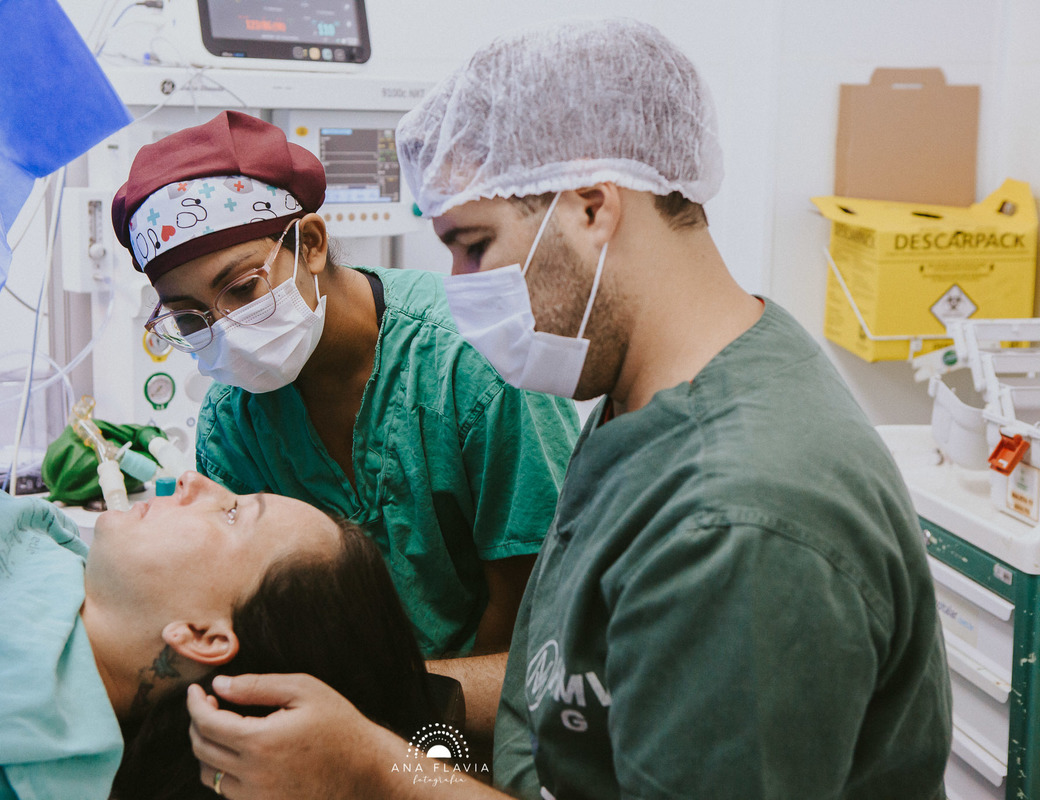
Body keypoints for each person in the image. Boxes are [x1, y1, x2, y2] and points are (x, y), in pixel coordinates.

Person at [184, 17, 953, 800]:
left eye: (474, 245)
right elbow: (556, 716)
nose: (456, 286)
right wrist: (389, 729)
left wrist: (370, 770)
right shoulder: (638, 403)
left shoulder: (737, 517)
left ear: (592, 207)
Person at [110, 114, 579, 693]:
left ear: (309, 245)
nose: (226, 330)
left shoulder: (474, 364)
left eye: (244, 288)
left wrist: (412, 740)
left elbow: (534, 627)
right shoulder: (233, 422)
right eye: (189, 315)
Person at [0, 461, 437, 800]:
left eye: (232, 513)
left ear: (201, 635)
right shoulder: (45, 534)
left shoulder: (27, 762)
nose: (193, 481)